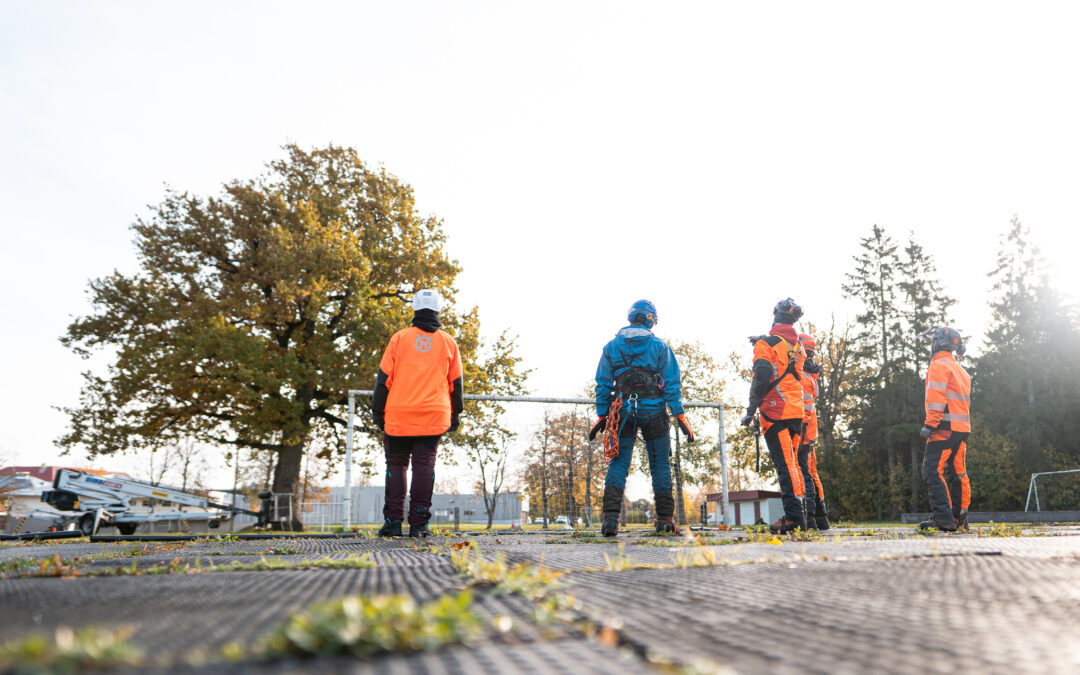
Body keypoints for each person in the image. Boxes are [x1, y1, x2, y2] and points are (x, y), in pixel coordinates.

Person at [589, 299, 694, 536]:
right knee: (660, 464)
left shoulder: (611, 347)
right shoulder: (660, 346)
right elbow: (672, 385)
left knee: (618, 462)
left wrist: (602, 415)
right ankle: (665, 520)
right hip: (654, 411)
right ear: (651, 320)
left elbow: (603, 384)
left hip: (622, 411)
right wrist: (679, 415)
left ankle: (610, 521)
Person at [372, 289, 464, 538]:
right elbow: (456, 385)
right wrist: (455, 415)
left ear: (414, 309)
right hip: (433, 416)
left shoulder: (399, 339)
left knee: (397, 465)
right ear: (438, 310)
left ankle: (392, 522)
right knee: (424, 466)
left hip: (399, 415)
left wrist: (377, 412)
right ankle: (419, 524)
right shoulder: (448, 342)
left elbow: (383, 381)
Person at [740, 298, 807, 534]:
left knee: (785, 466)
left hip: (775, 412)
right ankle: (801, 515)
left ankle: (794, 518)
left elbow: (762, 375)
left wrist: (751, 409)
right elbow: (784, 354)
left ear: (775, 315)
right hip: (796, 412)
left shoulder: (765, 345)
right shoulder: (797, 347)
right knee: (793, 465)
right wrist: (762, 341)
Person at [918, 326, 972, 532]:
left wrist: (930, 423)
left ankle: (943, 518)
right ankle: (960, 519)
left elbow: (936, 396)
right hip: (961, 428)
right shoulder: (960, 370)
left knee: (932, 470)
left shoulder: (938, 365)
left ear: (938, 343)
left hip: (944, 428)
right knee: (958, 473)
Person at [796, 333, 829, 530]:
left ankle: (808, 517)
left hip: (803, 433)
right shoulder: (809, 375)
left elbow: (805, 409)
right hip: (809, 431)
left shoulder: (803, 377)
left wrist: (798, 429)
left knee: (803, 474)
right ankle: (820, 518)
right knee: (811, 473)